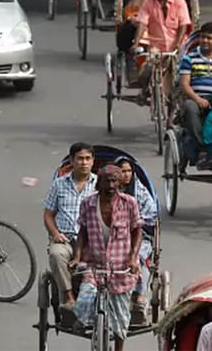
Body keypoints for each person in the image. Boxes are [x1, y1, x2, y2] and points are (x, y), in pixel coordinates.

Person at [71, 165, 143, 351]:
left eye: (114, 181)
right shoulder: (88, 203)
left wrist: (133, 259)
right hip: (95, 265)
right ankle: (88, 323)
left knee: (121, 316)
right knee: (84, 300)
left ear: (119, 183)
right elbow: (83, 232)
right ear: (99, 182)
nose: (111, 185)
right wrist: (77, 256)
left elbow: (137, 232)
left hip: (120, 267)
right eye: (107, 181)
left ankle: (119, 348)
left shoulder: (129, 203)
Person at [43, 142, 97, 314]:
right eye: (80, 159)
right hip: (65, 237)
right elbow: (48, 215)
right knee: (56, 255)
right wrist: (55, 234)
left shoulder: (100, 185)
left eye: (88, 158)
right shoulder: (59, 184)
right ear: (72, 161)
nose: (84, 163)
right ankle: (68, 297)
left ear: (93, 161)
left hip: (92, 239)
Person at [132, 0, 190, 103]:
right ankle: (144, 90)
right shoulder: (148, 3)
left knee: (181, 78)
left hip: (177, 47)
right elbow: (142, 24)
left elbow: (183, 25)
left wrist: (177, 42)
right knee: (147, 69)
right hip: (156, 47)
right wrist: (136, 42)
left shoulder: (179, 2)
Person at [178, 22, 212, 165]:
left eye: (209, 38)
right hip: (196, 98)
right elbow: (184, 84)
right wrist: (198, 99)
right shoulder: (190, 58)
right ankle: (202, 147)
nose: (204, 41)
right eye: (202, 37)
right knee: (189, 107)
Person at [113, 156, 156, 325]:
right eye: (122, 171)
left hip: (139, 236)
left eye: (129, 171)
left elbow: (152, 213)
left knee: (138, 259)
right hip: (113, 236)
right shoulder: (107, 189)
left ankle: (139, 296)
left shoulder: (140, 191)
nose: (126, 174)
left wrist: (134, 223)